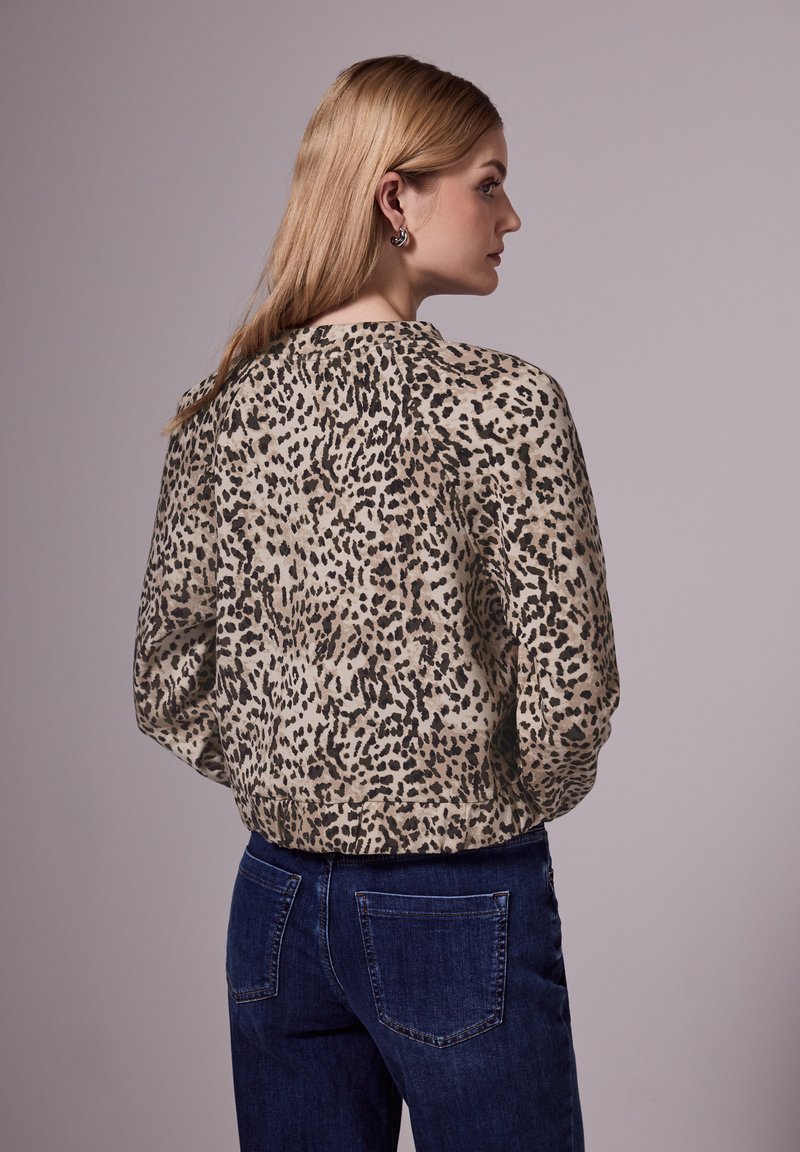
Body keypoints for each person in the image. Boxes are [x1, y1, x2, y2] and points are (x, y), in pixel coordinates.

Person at [132, 53, 620, 1152]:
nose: (511, 216)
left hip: (274, 901)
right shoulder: (504, 407)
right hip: (457, 897)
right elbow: (569, 690)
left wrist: (293, 778)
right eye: (488, 183)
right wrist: (484, 802)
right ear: (395, 197)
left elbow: (166, 681)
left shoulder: (223, 409)